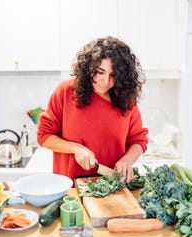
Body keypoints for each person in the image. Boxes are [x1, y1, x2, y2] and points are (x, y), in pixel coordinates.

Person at [37, 36, 148, 183]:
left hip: (112, 187)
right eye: (100, 72)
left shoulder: (127, 100)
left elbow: (139, 140)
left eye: (113, 75)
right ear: (88, 67)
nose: (106, 81)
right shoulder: (66, 91)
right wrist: (76, 148)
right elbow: (44, 136)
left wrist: (127, 160)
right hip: (70, 189)